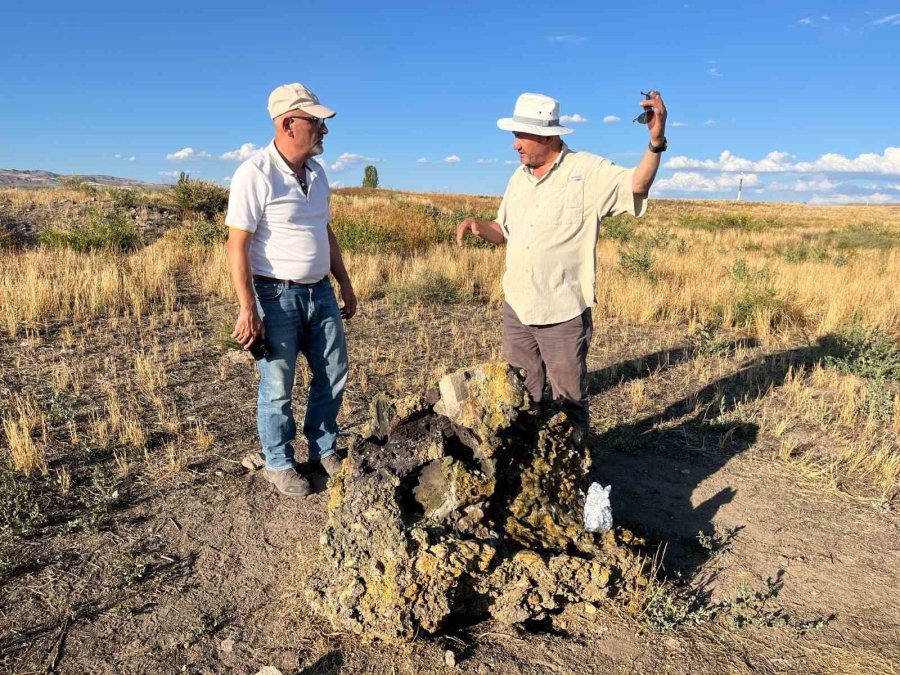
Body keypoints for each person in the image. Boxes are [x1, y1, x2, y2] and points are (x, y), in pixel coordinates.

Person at [456, 91, 667, 428]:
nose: (515, 145)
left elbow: (637, 185)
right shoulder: (517, 178)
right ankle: (531, 469)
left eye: (521, 135)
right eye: (515, 135)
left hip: (563, 312)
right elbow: (505, 231)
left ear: (549, 136)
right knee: (521, 397)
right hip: (518, 308)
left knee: (568, 403)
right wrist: (481, 227)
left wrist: (656, 142)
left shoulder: (587, 171)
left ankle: (576, 474)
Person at [225, 82, 357, 497]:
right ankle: (279, 463)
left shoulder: (317, 175)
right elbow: (237, 244)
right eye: (316, 121)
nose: (324, 129)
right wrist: (247, 308)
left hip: (319, 292)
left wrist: (344, 283)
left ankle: (322, 449)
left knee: (333, 372)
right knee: (278, 385)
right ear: (288, 123)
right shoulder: (255, 173)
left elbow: (325, 231)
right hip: (275, 296)